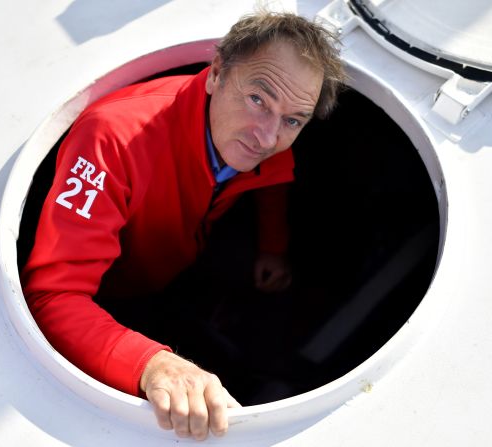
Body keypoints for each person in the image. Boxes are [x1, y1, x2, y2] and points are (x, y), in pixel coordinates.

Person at [21, 11, 345, 440]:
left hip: (178, 257)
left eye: (293, 120)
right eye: (257, 99)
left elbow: (272, 181)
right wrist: (154, 364)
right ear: (215, 73)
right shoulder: (113, 138)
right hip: (111, 293)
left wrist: (273, 246)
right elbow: (52, 296)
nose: (266, 137)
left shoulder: (263, 142)